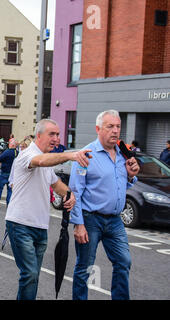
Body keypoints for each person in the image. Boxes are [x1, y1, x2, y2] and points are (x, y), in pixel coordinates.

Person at [5, 119, 89, 300]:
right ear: (39, 135)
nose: (56, 138)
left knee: (33, 276)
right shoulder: (28, 155)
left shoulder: (46, 158)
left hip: (40, 226)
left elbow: (56, 183)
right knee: (30, 274)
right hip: (20, 224)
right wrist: (70, 155)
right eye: (52, 134)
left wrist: (69, 194)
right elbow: (41, 162)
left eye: (58, 134)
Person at [70, 110, 139, 300]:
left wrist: (131, 176)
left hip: (115, 220)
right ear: (98, 129)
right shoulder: (87, 155)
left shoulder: (123, 154)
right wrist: (78, 224)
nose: (115, 131)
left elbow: (120, 184)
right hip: (90, 219)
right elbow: (75, 191)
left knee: (124, 261)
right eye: (110, 126)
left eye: (118, 126)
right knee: (85, 267)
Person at [0, 139, 18, 208]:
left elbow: (0, 159)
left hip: (4, 173)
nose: (8, 144)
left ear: (12, 145)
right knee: (10, 190)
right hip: (13, 174)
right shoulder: (17, 152)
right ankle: (8, 204)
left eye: (9, 143)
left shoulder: (7, 152)